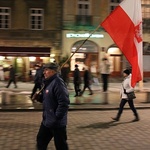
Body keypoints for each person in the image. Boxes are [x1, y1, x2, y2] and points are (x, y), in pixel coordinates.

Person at [36, 62, 70, 150]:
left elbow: (64, 102)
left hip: (56, 123)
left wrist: (56, 117)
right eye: (44, 70)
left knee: (61, 146)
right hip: (47, 121)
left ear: (53, 71)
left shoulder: (58, 83)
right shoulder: (48, 82)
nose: (44, 72)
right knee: (41, 141)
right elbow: (48, 100)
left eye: (46, 70)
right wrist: (39, 98)